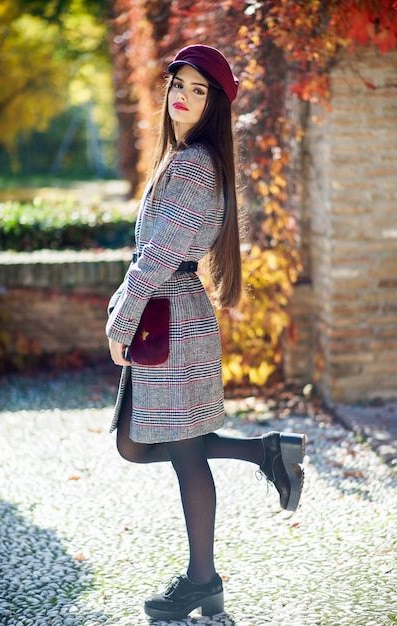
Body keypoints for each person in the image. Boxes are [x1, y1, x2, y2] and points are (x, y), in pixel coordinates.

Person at [106, 44, 307, 622]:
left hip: (168, 314)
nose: (183, 96)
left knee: (177, 449)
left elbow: (157, 256)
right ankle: (267, 452)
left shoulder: (193, 163)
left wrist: (122, 318)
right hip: (170, 314)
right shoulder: (189, 157)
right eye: (179, 84)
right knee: (136, 441)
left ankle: (202, 581)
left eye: (199, 90)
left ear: (214, 105)